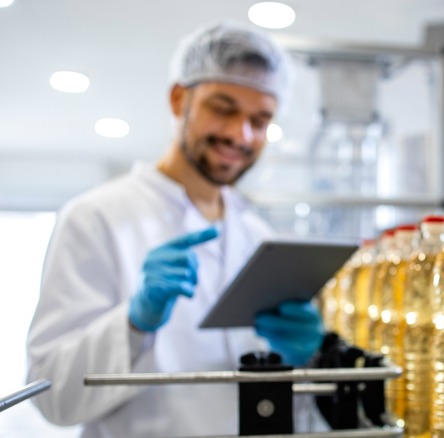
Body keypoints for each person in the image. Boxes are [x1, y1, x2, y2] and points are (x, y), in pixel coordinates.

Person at [26, 20, 328, 437]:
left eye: (260, 121)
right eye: (223, 108)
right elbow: (51, 397)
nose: (241, 134)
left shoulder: (257, 236)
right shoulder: (96, 217)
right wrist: (132, 325)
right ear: (178, 99)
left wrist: (299, 359)